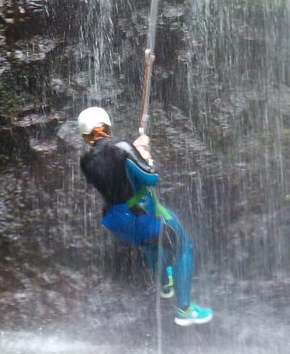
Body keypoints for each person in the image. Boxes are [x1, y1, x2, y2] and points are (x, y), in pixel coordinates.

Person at [78, 106, 213, 326]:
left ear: (86, 134)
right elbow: (151, 178)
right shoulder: (122, 147)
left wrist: (135, 150)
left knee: (150, 244)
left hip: (115, 221)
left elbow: (117, 172)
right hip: (138, 215)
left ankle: (164, 284)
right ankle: (185, 309)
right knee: (183, 246)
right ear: (104, 126)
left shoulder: (86, 161)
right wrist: (144, 156)